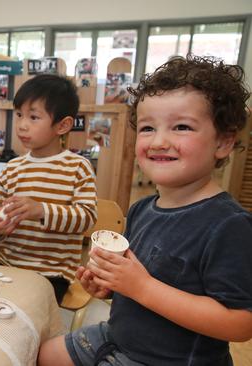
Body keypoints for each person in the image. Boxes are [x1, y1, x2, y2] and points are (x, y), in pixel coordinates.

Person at [38, 55, 252, 365]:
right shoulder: (140, 210)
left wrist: (142, 288)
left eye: (181, 127)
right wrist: (109, 286)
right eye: (148, 128)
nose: (159, 141)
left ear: (223, 142)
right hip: (119, 337)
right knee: (45, 353)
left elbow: (241, 322)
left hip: (168, 360)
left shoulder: (229, 225)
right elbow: (134, 282)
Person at [0, 74, 98, 304]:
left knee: (26, 315)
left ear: (63, 125)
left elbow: (87, 218)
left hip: (51, 273)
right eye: (19, 115)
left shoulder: (77, 167)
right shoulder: (13, 167)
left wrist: (41, 211)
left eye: (34, 117)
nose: (22, 124)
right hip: (5, 265)